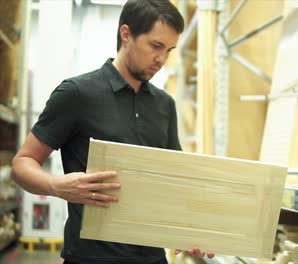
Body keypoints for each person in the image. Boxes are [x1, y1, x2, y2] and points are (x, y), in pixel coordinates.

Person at [12, 0, 214, 263]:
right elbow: (22, 163)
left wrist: (191, 229)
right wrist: (57, 186)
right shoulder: (76, 93)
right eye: (155, 46)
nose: (161, 60)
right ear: (126, 35)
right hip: (89, 258)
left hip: (152, 258)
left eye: (169, 50)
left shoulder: (165, 105)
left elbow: (172, 182)